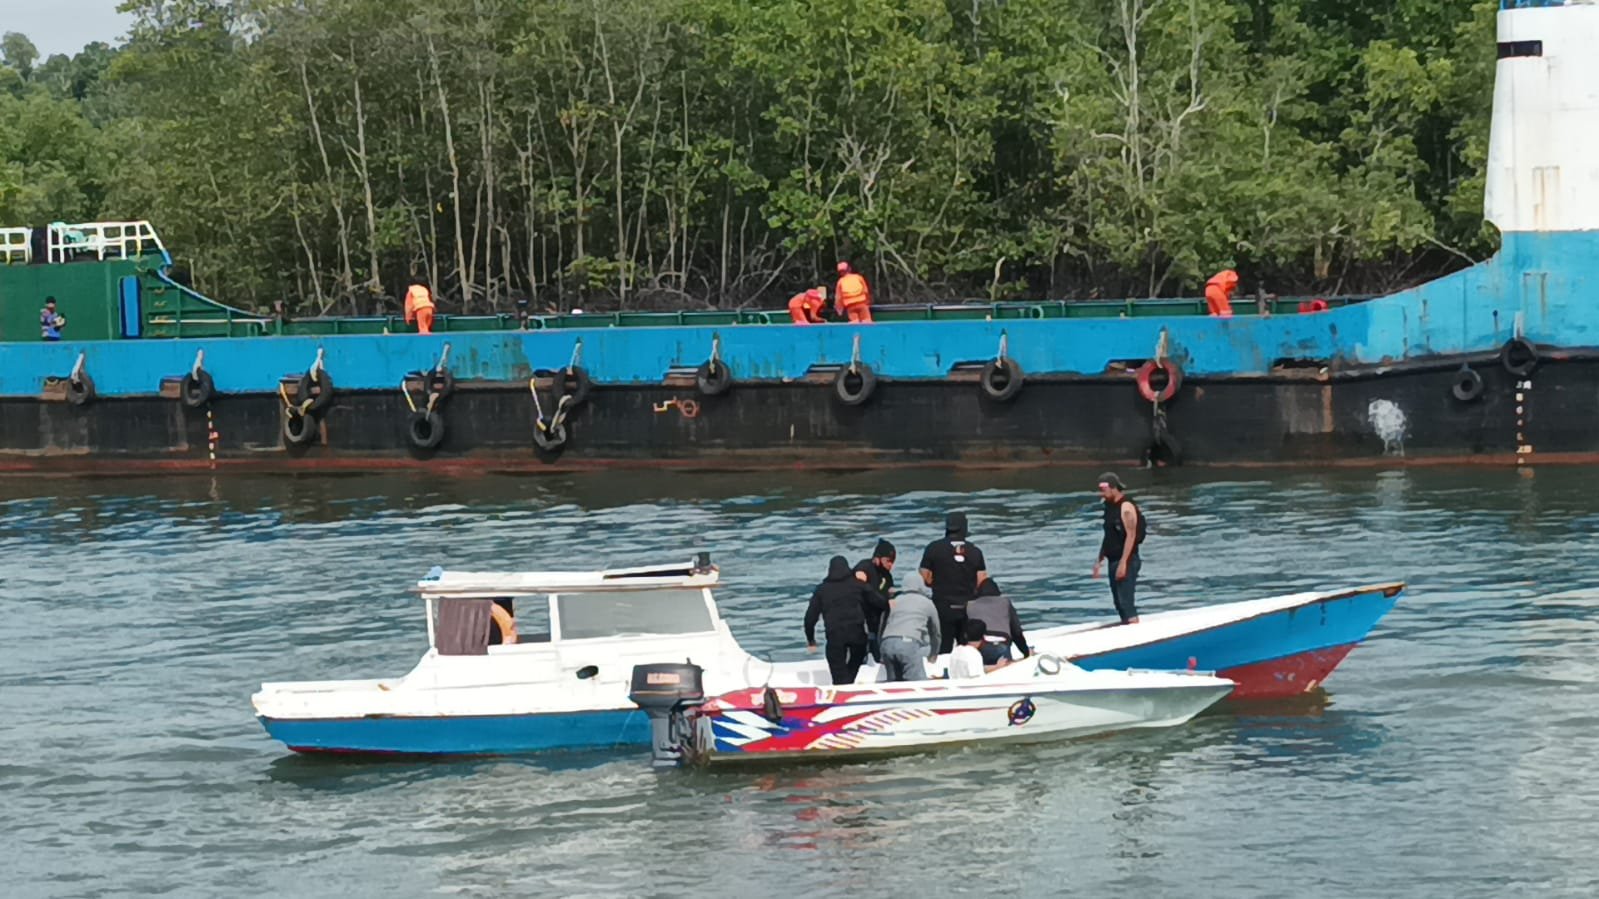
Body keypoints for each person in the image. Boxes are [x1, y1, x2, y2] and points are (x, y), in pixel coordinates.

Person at [804, 555, 887, 685]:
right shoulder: (857, 585)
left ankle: (843, 686)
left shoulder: (822, 590)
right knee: (856, 658)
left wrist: (811, 640)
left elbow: (810, 618)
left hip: (834, 636)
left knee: (838, 675)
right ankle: (848, 683)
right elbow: (879, 601)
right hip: (857, 635)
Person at [919, 511, 987, 654]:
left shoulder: (933, 548)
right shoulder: (975, 551)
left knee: (943, 646)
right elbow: (982, 581)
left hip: (942, 605)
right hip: (968, 606)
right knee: (968, 648)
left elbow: (923, 577)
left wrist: (935, 582)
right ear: (965, 527)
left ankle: (943, 672)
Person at [1093, 472, 1147, 624]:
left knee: (1126, 601)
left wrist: (1124, 562)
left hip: (1127, 559)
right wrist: (1099, 560)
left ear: (1113, 488)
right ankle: (1125, 624)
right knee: (1118, 603)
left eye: (1104, 489)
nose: (1101, 493)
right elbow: (1108, 535)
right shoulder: (1109, 507)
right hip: (1113, 559)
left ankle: (1134, 629)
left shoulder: (1126, 507)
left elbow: (1131, 535)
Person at [878, 575, 940, 682]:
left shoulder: (895, 601)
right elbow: (936, 633)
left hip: (886, 643)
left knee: (893, 685)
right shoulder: (927, 603)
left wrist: (880, 652)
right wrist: (933, 654)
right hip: (908, 643)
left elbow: (882, 626)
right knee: (916, 684)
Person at [965, 578, 1030, 667]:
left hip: (979, 647)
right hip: (1001, 645)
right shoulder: (1005, 603)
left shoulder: (970, 605)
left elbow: (965, 632)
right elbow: (1016, 632)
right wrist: (1026, 653)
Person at [853, 539, 896, 662]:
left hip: (878, 620)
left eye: (893, 562)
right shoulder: (864, 567)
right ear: (878, 558)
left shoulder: (887, 576)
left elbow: (891, 593)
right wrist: (883, 602)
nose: (890, 565)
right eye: (888, 561)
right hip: (862, 618)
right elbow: (859, 586)